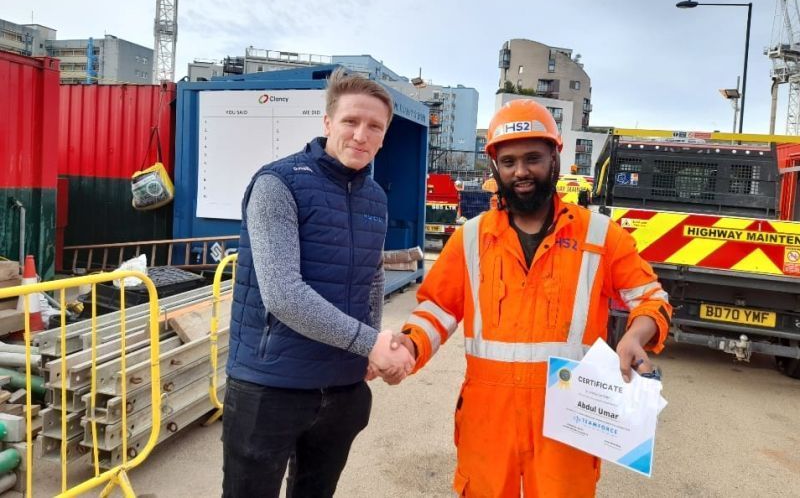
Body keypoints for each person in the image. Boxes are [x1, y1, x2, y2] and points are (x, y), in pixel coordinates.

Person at [393, 99, 672, 497]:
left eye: (533, 158)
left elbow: (650, 298)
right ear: (495, 168)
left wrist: (634, 336)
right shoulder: (470, 238)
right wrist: (409, 345)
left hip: (569, 414)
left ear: (555, 158)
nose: (521, 171)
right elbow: (436, 309)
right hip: (488, 418)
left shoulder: (600, 236)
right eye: (509, 162)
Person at [222, 68, 415, 497]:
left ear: (384, 136)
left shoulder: (375, 198)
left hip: (341, 387)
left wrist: (367, 353)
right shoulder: (278, 184)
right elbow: (283, 295)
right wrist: (372, 342)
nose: (361, 136)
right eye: (351, 122)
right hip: (270, 386)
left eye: (374, 127)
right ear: (328, 123)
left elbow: (372, 277)